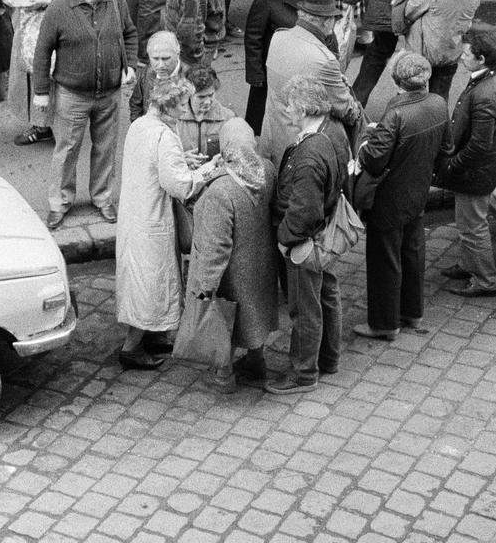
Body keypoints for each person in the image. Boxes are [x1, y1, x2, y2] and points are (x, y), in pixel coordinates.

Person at [116, 70, 216, 371]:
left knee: (143, 280)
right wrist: (208, 169)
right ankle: (131, 348)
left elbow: (152, 164)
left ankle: (154, 335)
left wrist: (181, 159)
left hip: (135, 216)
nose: (185, 111)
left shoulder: (140, 125)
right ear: (170, 106)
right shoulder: (164, 135)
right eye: (182, 105)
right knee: (152, 284)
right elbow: (181, 186)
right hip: (153, 220)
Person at [34, 0, 138, 229]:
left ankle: (102, 198)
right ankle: (60, 203)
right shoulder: (59, 9)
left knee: (106, 147)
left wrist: (130, 65)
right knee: (66, 149)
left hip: (109, 93)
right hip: (72, 95)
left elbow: (129, 33)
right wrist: (41, 92)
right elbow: (43, 51)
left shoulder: (116, 0)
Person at [354, 51, 451, 340]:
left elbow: (373, 160)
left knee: (385, 260)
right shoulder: (438, 103)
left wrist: (367, 138)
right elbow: (446, 147)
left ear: (398, 82)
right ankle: (412, 312)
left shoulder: (395, 113)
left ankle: (384, 324)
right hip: (417, 192)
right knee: (413, 252)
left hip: (388, 199)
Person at [267, 77, 350, 394]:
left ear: (302, 108)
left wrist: (284, 239)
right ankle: (328, 358)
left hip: (303, 243)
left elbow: (304, 211)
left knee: (304, 309)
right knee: (325, 294)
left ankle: (303, 373)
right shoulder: (327, 137)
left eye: (289, 105)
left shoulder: (309, 155)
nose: (286, 110)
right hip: (321, 237)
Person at [185, 117, 280, 391]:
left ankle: (224, 374)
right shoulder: (268, 170)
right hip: (261, 262)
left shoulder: (221, 191)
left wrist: (205, 288)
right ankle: (256, 362)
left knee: (224, 318)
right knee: (255, 313)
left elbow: (215, 249)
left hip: (232, 272)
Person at [437, 26, 496, 298]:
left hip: (475, 173)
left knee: (472, 227)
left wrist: (451, 165)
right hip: (479, 170)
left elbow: (479, 145)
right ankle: (469, 265)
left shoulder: (485, 95)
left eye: (467, 54)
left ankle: (485, 279)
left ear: (482, 60)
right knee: (468, 222)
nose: (461, 57)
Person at [261, 0, 363, 165]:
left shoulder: (278, 37)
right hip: (302, 150)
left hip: (271, 138)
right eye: (334, 18)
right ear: (326, 21)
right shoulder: (324, 60)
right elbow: (345, 109)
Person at [1, 0, 80, 146]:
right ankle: (38, 122)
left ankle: (47, 125)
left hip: (51, 30)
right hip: (23, 25)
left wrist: (45, 1)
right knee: (26, 75)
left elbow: (75, 0)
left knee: (48, 75)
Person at [242, 0, 321, 134]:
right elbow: (253, 36)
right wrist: (256, 76)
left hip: (302, 70)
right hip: (272, 71)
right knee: (261, 122)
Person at [389, 0, 482, 97]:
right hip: (452, 53)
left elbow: (409, 12)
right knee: (439, 99)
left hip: (423, 55)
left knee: (412, 99)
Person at [173, 62, 235, 160]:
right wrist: (182, 158)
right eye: (201, 97)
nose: (207, 102)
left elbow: (237, 156)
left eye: (211, 95)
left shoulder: (228, 118)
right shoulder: (173, 119)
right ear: (188, 95)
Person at [128, 29, 185, 123]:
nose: (160, 65)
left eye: (165, 59)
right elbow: (135, 105)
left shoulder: (190, 77)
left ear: (177, 54)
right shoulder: (145, 74)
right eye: (155, 59)